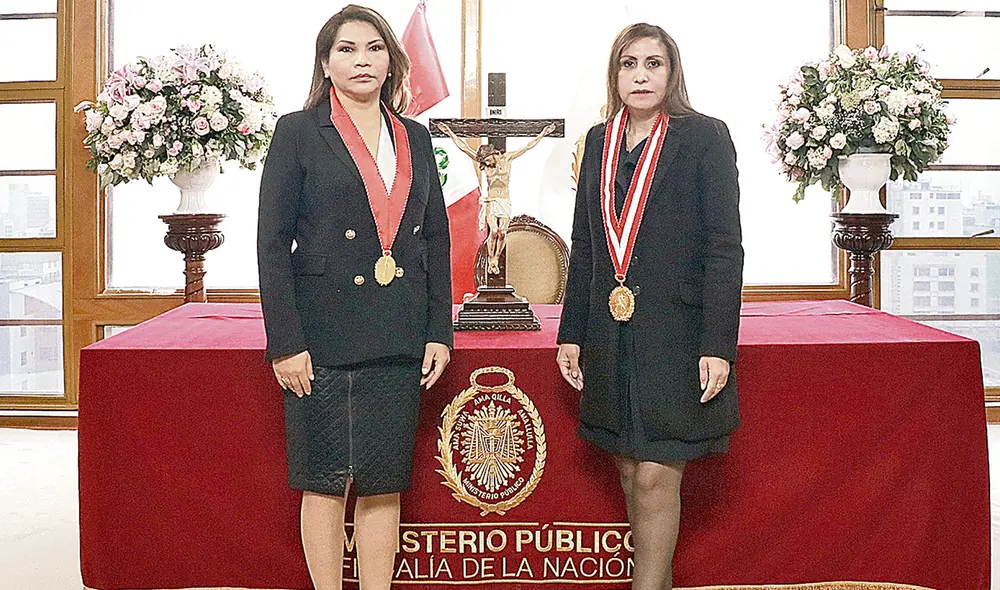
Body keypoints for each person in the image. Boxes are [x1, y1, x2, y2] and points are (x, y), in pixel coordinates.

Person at [257, 5, 453, 589]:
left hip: (398, 334)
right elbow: (271, 245)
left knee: (382, 481)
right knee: (324, 481)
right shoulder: (298, 130)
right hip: (321, 338)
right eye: (346, 49)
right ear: (325, 62)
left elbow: (436, 242)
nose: (362, 60)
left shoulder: (415, 136)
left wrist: (438, 330)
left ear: (392, 60)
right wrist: (286, 343)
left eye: (373, 48)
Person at [555, 23, 743, 590]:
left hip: (679, 335)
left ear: (672, 72)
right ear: (615, 75)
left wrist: (718, 345)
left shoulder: (705, 137)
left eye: (653, 64)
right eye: (629, 64)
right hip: (610, 335)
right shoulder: (597, 143)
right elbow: (586, 245)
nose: (640, 75)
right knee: (631, 469)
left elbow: (724, 248)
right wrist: (571, 332)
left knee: (660, 473)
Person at [437, 121, 555, 274]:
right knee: (494, 231)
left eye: (486, 161)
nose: (485, 165)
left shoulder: (507, 159)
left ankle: (496, 258)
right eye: (483, 163)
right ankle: (491, 259)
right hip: (491, 202)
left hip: (504, 201)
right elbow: (465, 148)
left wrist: (542, 134)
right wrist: (450, 133)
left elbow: (527, 147)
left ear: (491, 154)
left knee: (502, 232)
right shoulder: (486, 164)